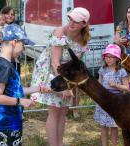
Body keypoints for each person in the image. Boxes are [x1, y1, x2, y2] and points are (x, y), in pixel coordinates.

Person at [30, 7, 91, 146]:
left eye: (76, 21)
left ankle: (60, 143)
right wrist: (63, 88)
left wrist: (71, 85)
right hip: (51, 73)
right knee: (54, 112)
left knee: (63, 112)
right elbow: (54, 62)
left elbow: (75, 64)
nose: (71, 23)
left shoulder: (83, 39)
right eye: (70, 19)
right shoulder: (60, 32)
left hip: (67, 76)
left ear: (84, 24)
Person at [0, 24, 51, 146]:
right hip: (5, 125)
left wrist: (38, 89)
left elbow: (14, 90)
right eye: (23, 45)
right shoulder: (4, 66)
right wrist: (20, 101)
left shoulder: (7, 63)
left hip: (9, 124)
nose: (23, 49)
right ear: (14, 42)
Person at [94, 44, 129, 146]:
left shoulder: (121, 71)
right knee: (103, 126)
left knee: (114, 126)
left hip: (116, 102)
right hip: (103, 102)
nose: (108, 59)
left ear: (117, 58)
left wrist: (116, 85)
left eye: (111, 57)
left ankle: (114, 144)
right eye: (106, 56)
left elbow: (127, 87)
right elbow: (98, 84)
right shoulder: (102, 70)